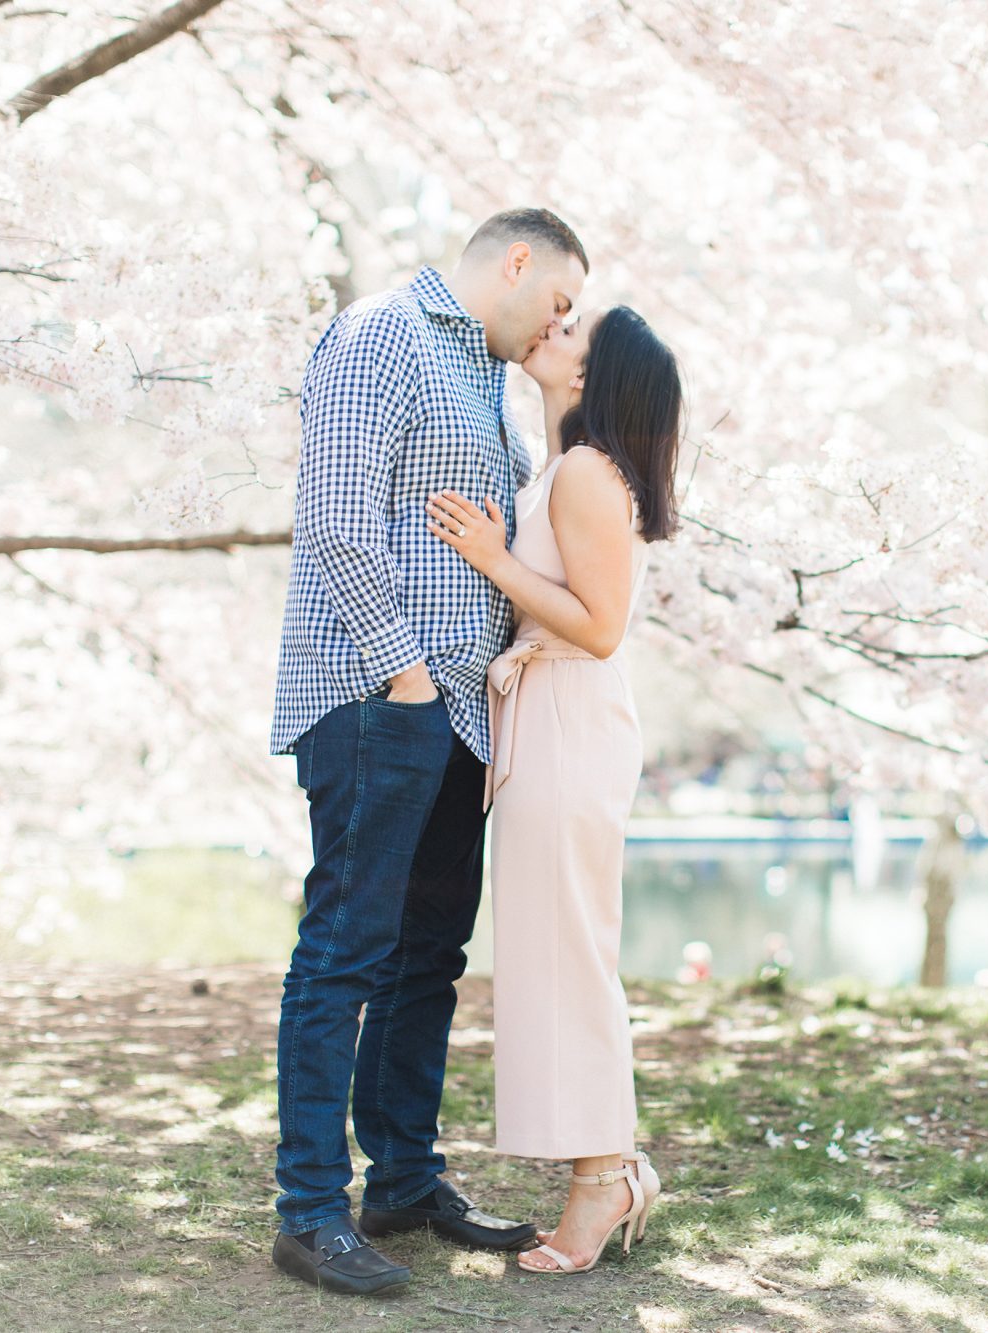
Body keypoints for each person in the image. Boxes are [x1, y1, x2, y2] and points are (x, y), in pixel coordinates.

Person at [267, 207, 588, 1297]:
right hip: (377, 697)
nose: (560, 322)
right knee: (344, 955)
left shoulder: (483, 376)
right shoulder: (379, 335)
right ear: (514, 261)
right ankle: (309, 1210)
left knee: (426, 961)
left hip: (456, 713)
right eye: (557, 300)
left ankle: (402, 1181)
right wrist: (401, 671)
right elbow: (336, 519)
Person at [424, 303, 684, 1274]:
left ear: (595, 375)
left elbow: (599, 624)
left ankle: (601, 1181)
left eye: (576, 333)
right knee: (553, 954)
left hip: (569, 718)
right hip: (550, 720)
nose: (553, 330)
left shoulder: (582, 472)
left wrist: (490, 560)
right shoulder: (563, 467)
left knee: (569, 957)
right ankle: (604, 1168)